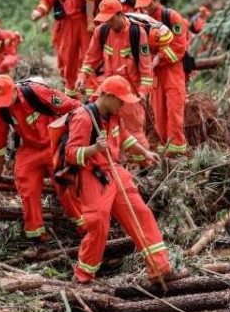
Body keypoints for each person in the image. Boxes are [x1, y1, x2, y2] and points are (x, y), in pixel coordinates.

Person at [64, 75, 171, 283]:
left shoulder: (113, 115)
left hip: (116, 172)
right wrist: (94, 148)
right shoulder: (84, 117)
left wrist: (145, 153)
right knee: (98, 222)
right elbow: (71, 153)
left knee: (141, 213)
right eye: (120, 99)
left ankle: (160, 269)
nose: (123, 104)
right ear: (108, 96)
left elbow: (123, 137)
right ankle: (83, 277)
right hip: (94, 175)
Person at [0, 74, 82, 241]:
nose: (5, 103)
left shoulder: (36, 92)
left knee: (65, 187)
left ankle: (85, 226)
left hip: (54, 143)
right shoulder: (1, 109)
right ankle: (36, 235)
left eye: (7, 98)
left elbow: (73, 106)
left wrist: (77, 139)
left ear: (15, 90)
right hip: (30, 148)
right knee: (26, 185)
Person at [77, 0, 153, 151]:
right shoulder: (102, 31)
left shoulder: (137, 33)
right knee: (106, 127)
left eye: (111, 19)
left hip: (129, 93)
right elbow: (90, 58)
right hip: (109, 90)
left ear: (120, 15)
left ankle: (145, 168)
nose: (109, 23)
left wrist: (143, 92)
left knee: (134, 131)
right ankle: (117, 164)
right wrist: (82, 77)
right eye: (106, 20)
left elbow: (146, 70)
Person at [32, 0, 90, 98]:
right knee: (68, 61)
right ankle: (72, 100)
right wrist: (39, 11)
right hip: (67, 24)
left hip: (86, 21)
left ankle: (94, 98)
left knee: (90, 58)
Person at [135, 0, 188, 156]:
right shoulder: (142, 21)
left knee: (174, 112)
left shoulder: (171, 16)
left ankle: (178, 151)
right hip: (155, 74)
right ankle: (165, 152)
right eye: (143, 4)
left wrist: (159, 57)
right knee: (158, 114)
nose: (146, 8)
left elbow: (180, 47)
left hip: (172, 72)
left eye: (149, 3)